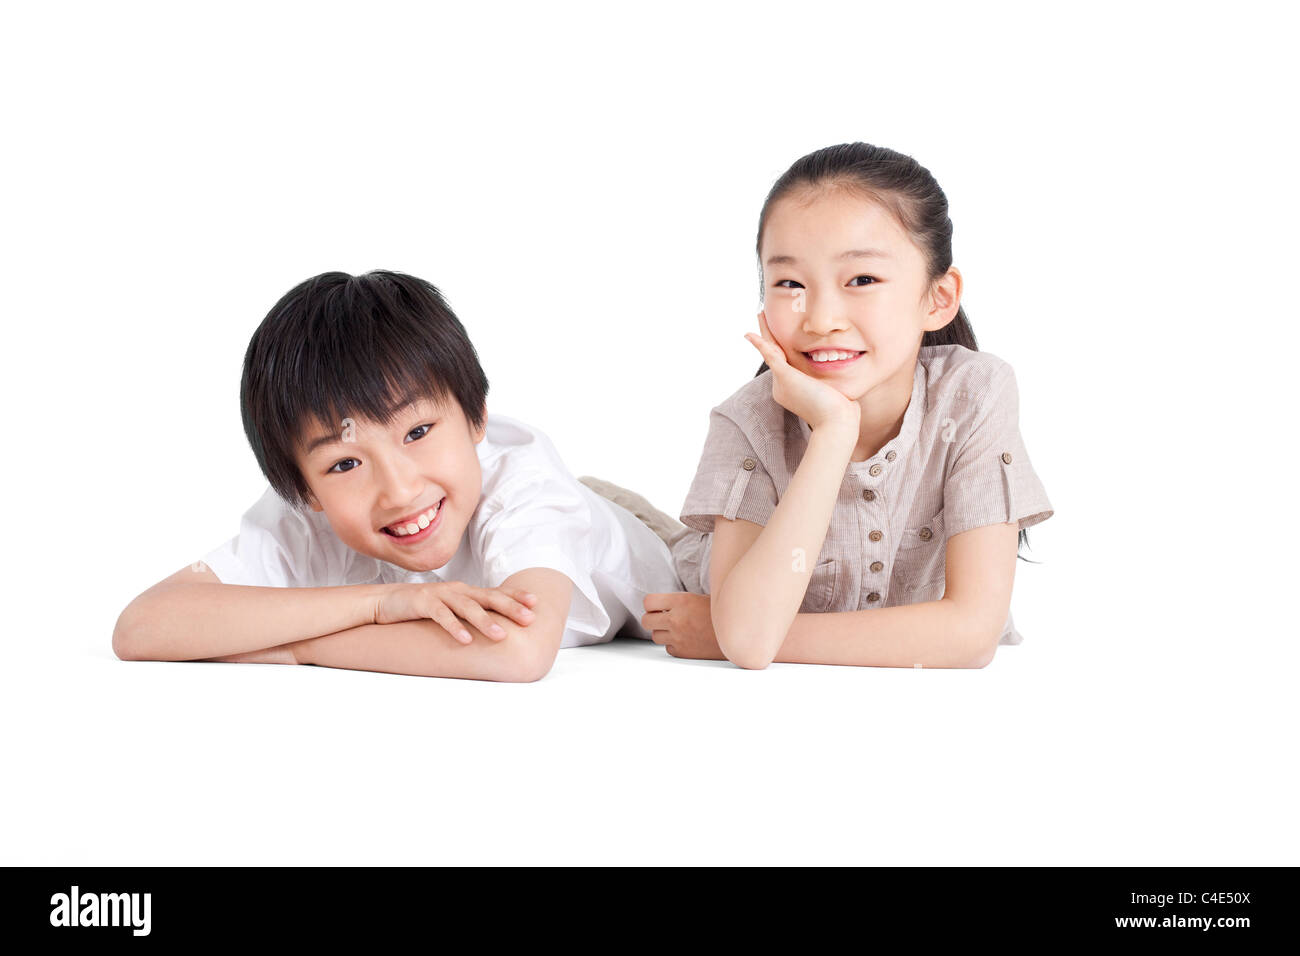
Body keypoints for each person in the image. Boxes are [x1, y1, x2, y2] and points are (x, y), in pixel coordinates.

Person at [112, 270, 682, 681]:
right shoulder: (311, 515)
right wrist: (379, 604)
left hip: (662, 549)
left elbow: (518, 651)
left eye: (417, 433)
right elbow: (142, 627)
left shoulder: (526, 490)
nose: (400, 490)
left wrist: (299, 646)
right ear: (303, 490)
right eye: (345, 463)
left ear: (477, 415)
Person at [642, 142, 1054, 670]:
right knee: (613, 530)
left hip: (736, 609)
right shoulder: (746, 420)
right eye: (790, 283)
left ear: (938, 297)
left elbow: (972, 634)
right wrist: (834, 430)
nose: (820, 318)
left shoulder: (974, 393)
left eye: (861, 279)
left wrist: (721, 631)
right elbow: (748, 641)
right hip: (675, 568)